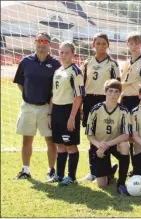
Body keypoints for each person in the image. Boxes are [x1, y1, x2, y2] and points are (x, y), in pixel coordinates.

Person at [13, 32, 61, 179]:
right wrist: (29, 97)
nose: (41, 44)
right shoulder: (25, 61)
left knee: (50, 140)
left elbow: (58, 88)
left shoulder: (55, 64)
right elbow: (20, 83)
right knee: (27, 139)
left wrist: (50, 107)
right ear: (35, 43)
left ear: (49, 45)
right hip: (28, 106)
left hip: (46, 107)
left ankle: (51, 170)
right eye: (39, 41)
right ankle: (25, 170)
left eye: (45, 41)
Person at [80, 33, 120, 182]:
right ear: (93, 45)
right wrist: (81, 107)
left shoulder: (112, 64)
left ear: (108, 45)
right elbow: (82, 85)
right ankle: (94, 171)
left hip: (106, 100)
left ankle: (106, 170)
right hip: (89, 101)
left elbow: (117, 86)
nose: (101, 46)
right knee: (92, 137)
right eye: (98, 43)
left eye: (104, 43)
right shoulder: (86, 63)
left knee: (106, 135)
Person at [46, 42, 84, 185]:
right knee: (59, 145)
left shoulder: (75, 71)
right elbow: (53, 95)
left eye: (67, 52)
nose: (63, 55)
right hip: (56, 111)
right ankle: (59, 175)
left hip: (69, 111)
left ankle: (72, 177)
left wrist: (72, 117)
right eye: (61, 52)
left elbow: (78, 96)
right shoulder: (58, 71)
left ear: (73, 54)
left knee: (70, 145)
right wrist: (50, 114)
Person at [85, 79, 131, 195]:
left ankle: (121, 183)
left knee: (125, 145)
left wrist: (107, 145)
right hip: (99, 144)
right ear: (105, 92)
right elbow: (89, 134)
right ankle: (109, 172)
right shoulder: (95, 109)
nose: (113, 94)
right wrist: (98, 145)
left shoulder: (124, 111)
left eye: (116, 92)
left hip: (114, 144)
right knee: (101, 184)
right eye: (110, 91)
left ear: (120, 94)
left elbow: (126, 135)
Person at [120, 32, 141, 177]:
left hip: (137, 101)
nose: (133, 46)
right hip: (125, 101)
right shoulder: (126, 63)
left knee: (137, 136)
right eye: (130, 43)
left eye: (136, 43)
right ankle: (130, 168)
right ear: (127, 45)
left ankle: (140, 168)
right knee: (126, 136)